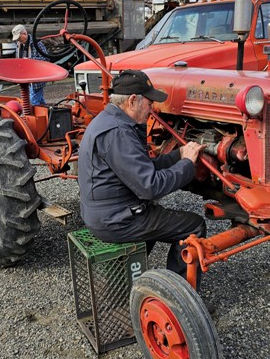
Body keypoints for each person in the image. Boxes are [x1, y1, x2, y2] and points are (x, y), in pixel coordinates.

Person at [77, 69, 208, 290]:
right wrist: (186, 165)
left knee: (159, 218)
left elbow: (142, 168)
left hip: (107, 212)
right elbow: (150, 186)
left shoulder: (109, 120)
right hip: (115, 220)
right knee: (193, 226)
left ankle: (125, 284)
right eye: (149, 102)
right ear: (132, 101)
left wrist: (177, 155)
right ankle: (180, 297)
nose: (152, 108)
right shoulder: (118, 132)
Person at [12, 24, 50, 105]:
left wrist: (30, 61)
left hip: (37, 78)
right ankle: (50, 114)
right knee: (40, 101)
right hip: (26, 78)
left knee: (33, 102)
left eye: (19, 38)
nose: (18, 40)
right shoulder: (19, 45)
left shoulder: (37, 43)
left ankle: (32, 116)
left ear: (24, 34)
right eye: (17, 39)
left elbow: (46, 59)